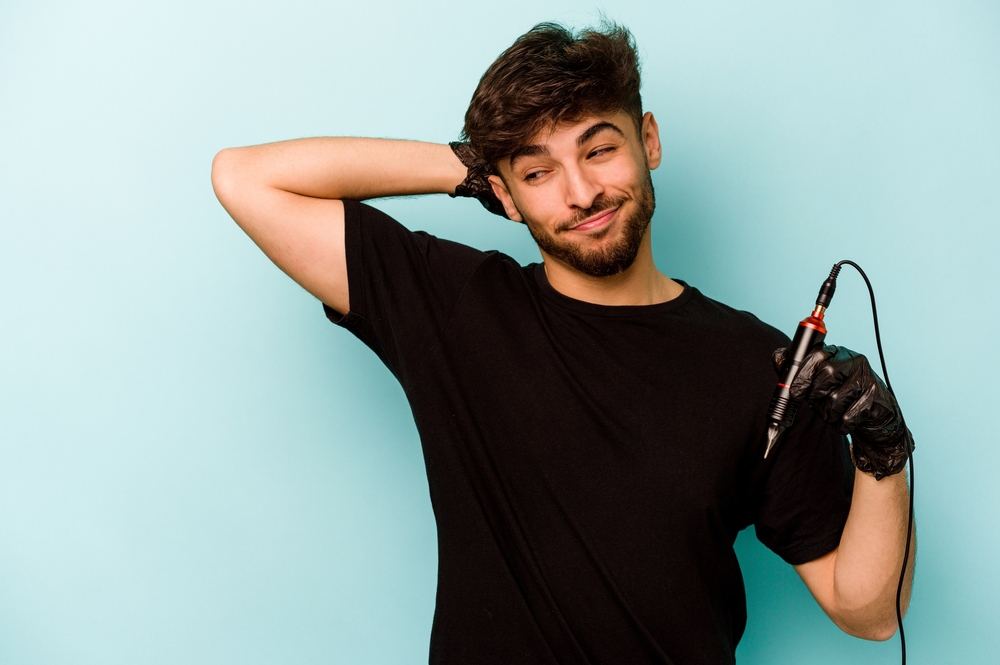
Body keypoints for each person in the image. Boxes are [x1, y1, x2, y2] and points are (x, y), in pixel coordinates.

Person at [211, 21, 915, 665]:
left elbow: (872, 612)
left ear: (650, 141)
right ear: (504, 195)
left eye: (599, 149)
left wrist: (882, 452)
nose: (581, 192)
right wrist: (468, 164)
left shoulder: (761, 367)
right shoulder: (454, 307)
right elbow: (246, 179)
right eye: (539, 171)